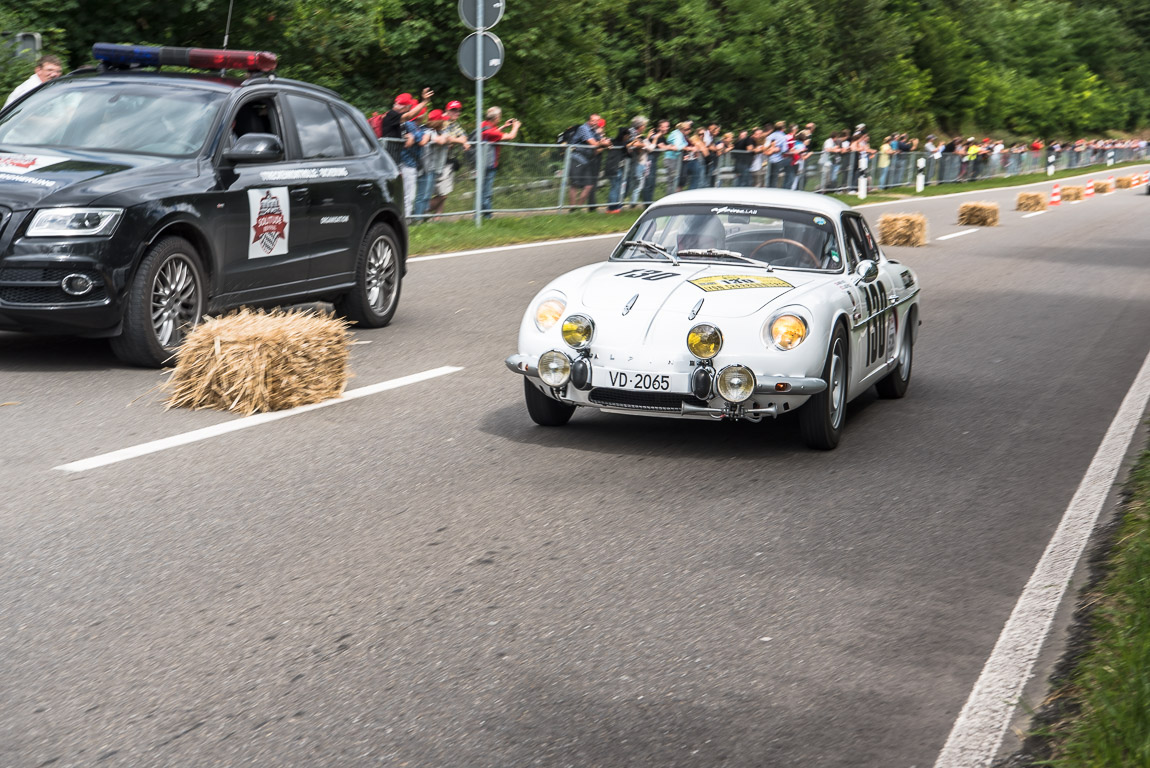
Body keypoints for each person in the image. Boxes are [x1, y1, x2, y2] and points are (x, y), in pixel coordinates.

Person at [428, 100, 470, 216]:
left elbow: (463, 136)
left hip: (446, 160)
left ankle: (437, 217)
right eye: (454, 110)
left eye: (458, 110)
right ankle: (421, 212)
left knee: (444, 192)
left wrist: (461, 141)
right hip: (435, 161)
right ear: (447, 110)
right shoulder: (442, 120)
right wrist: (458, 141)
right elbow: (446, 138)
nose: (457, 112)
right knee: (440, 193)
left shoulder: (454, 124)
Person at [478, 106, 520, 218]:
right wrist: (515, 127)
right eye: (499, 117)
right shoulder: (492, 132)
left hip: (482, 163)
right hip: (490, 165)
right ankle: (486, 217)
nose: (500, 118)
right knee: (486, 192)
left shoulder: (483, 125)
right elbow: (511, 136)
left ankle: (479, 216)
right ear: (496, 117)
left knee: (482, 191)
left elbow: (492, 133)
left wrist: (504, 126)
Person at [567, 114, 608, 210]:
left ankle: (579, 209)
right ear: (589, 121)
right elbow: (594, 144)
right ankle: (572, 209)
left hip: (586, 161)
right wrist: (602, 143)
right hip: (576, 158)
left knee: (589, 185)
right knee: (575, 184)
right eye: (594, 121)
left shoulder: (594, 131)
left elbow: (598, 148)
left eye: (597, 121)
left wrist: (604, 143)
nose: (596, 123)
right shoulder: (583, 128)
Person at [413, 110, 446, 219]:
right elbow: (441, 141)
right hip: (424, 168)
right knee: (422, 195)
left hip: (432, 168)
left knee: (427, 195)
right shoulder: (428, 131)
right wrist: (442, 139)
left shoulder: (439, 132)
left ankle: (423, 217)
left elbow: (446, 138)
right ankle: (418, 218)